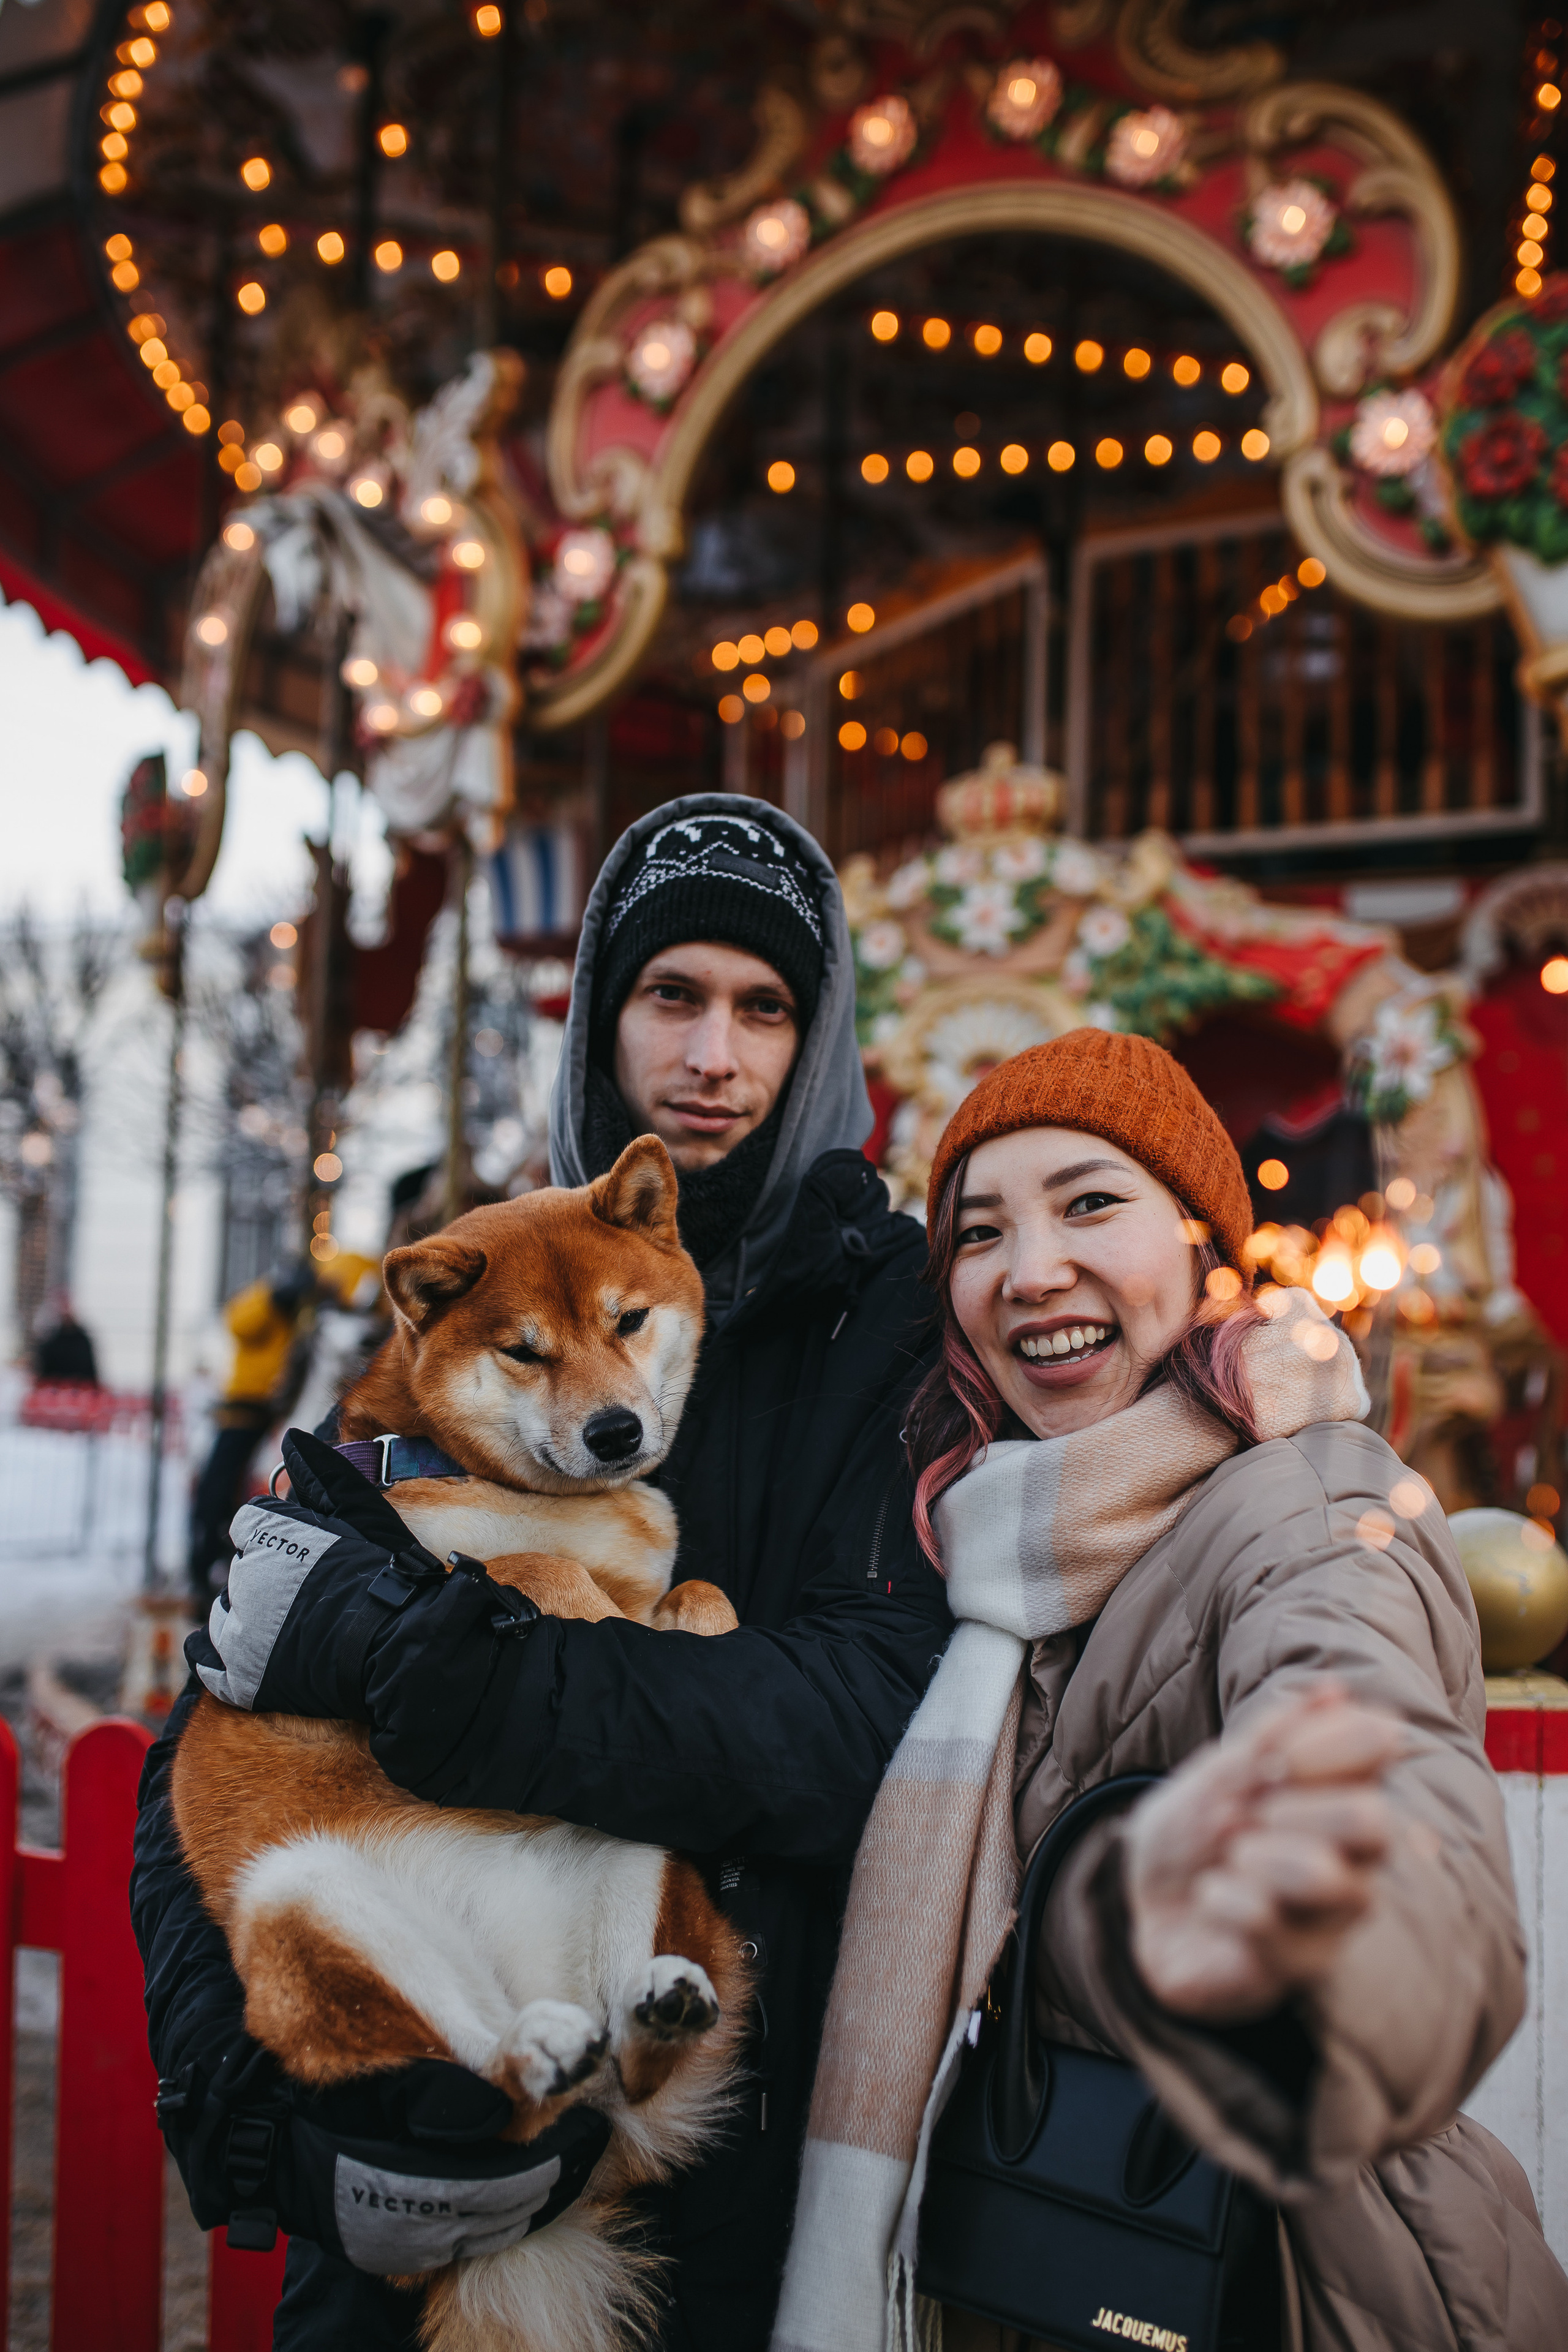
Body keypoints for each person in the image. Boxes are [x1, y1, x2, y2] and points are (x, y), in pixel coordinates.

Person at [132, 795, 952, 2350]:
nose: (714, 1053)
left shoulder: (889, 1328)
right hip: (416, 2132)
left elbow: (851, 1715)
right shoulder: (473, 1278)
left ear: (817, 1035)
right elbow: (220, 1731)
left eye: (763, 1006)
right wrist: (267, 2105)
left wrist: (449, 1673)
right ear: (599, 1021)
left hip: (714, 2170)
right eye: (671, 995)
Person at [773, 1027, 1568, 2352]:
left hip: (1310, 2280)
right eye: (978, 1233)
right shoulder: (1010, 1547)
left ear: (1203, 1242)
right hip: (1081, 2257)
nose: (1031, 1273)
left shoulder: (1303, 1505)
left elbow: (1364, 1744)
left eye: (1090, 1203)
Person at [185, 1264, 316, 1605]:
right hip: (244, 1408)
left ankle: (218, 1557)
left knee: (237, 1484)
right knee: (219, 1485)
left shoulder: (295, 1317)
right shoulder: (264, 1304)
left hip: (267, 1410)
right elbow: (238, 1322)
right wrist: (275, 1297)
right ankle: (204, 1561)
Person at [31, 1297, 99, 1386]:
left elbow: (90, 1372)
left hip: (80, 1388)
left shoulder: (83, 1341)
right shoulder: (50, 1340)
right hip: (56, 1389)